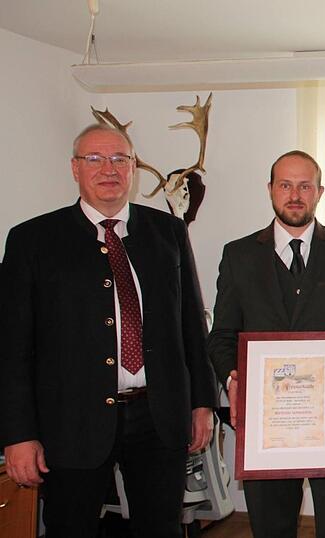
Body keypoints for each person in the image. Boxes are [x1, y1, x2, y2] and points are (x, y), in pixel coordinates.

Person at [0, 124, 218, 537]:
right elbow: (12, 349)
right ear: (75, 168)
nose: (109, 169)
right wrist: (18, 435)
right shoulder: (33, 240)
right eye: (94, 159)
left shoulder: (167, 231)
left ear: (133, 167)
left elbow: (190, 323)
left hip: (158, 418)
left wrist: (202, 402)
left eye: (119, 159)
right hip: (70, 422)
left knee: (160, 528)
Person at [207, 150, 325, 538]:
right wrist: (234, 379)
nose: (295, 194)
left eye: (305, 186)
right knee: (271, 529)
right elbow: (221, 337)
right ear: (270, 190)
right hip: (265, 427)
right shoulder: (238, 255)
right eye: (285, 185)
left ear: (320, 191)